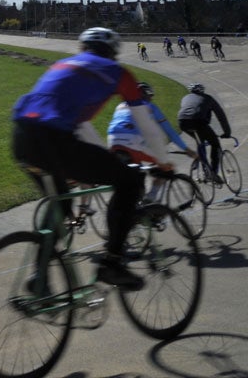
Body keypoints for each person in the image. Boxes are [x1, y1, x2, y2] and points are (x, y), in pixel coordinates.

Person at [11, 27, 171, 291]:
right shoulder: (118, 73)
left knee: (60, 205)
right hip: (54, 141)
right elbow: (148, 126)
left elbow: (80, 125)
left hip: (22, 139)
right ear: (113, 52)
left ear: (83, 48)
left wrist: (104, 160)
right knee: (130, 182)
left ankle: (39, 279)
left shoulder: (63, 65)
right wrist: (163, 162)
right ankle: (113, 263)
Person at [107, 82, 197, 201]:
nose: (151, 98)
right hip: (132, 141)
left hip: (113, 142)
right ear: (145, 95)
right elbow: (170, 131)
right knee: (165, 167)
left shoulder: (120, 106)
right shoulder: (149, 106)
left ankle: (136, 203)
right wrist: (186, 149)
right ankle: (151, 198)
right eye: (150, 95)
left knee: (136, 175)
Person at [177, 83, 232, 182]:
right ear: (202, 91)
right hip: (199, 122)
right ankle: (213, 173)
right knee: (215, 144)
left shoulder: (185, 98)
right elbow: (221, 116)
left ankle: (204, 169)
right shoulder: (208, 98)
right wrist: (227, 132)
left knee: (200, 142)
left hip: (182, 122)